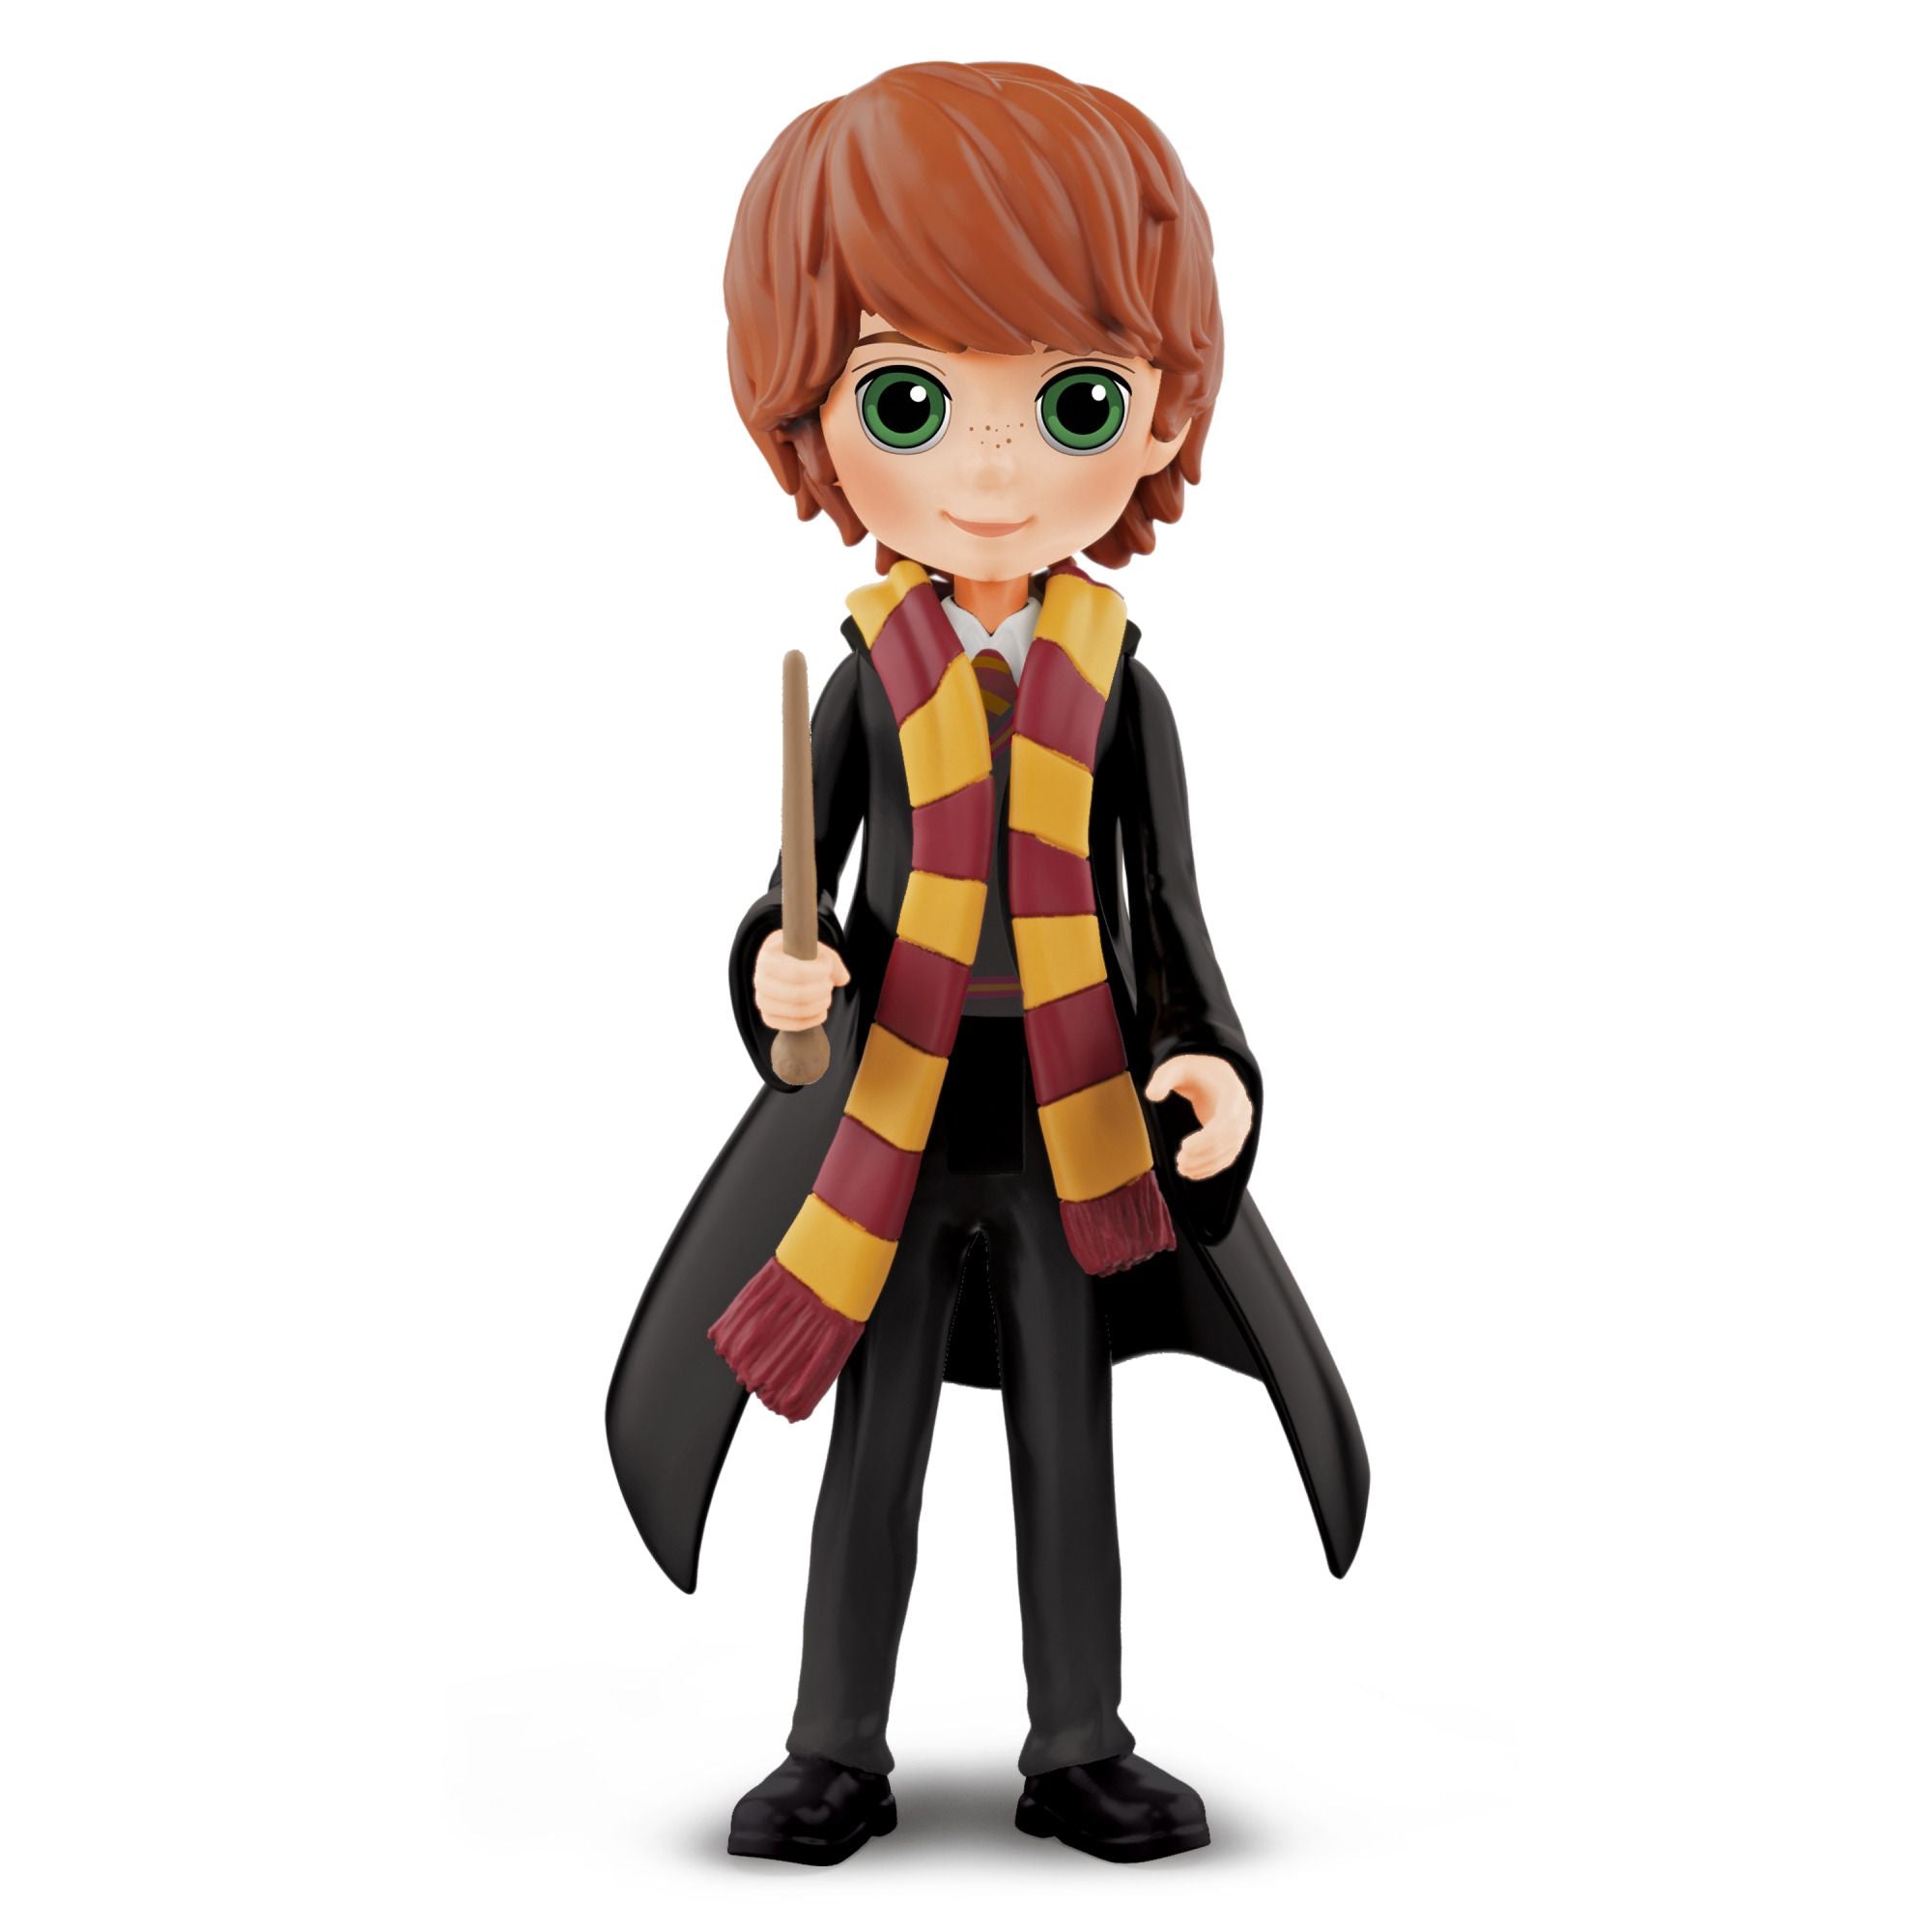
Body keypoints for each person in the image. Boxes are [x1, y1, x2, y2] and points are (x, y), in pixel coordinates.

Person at [605, 60, 1370, 1866]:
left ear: (1158, 416)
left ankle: (1079, 1739)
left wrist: (1209, 1065)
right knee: (873, 1440)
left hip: (1070, 1130)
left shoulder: (1123, 698)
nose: (997, 466)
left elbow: (1171, 926)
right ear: (818, 425)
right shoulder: (866, 687)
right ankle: (835, 1745)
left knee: (1065, 1441)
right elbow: (788, 901)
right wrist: (780, 983)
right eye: (912, 400)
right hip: (890, 1120)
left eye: (1074, 398)